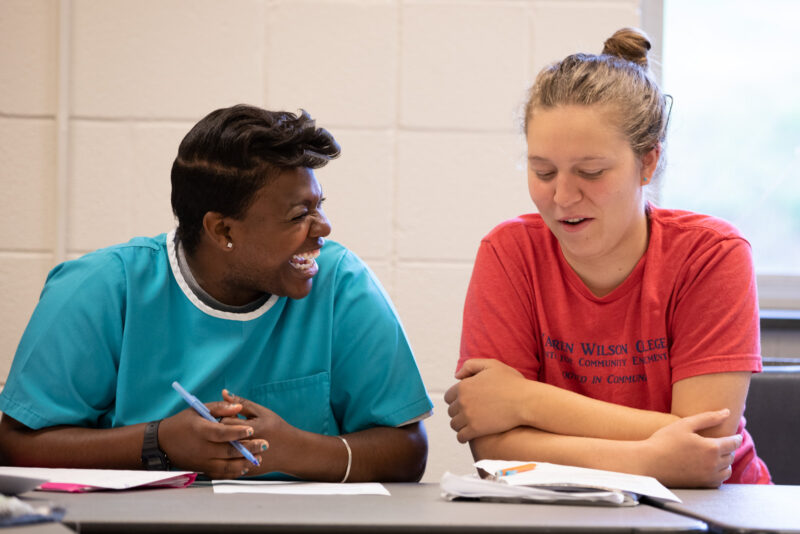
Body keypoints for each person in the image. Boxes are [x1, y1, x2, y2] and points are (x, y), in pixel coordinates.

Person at [0, 104, 433, 482]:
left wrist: (297, 449)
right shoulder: (101, 288)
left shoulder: (340, 283)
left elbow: (407, 450)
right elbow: (17, 444)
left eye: (319, 206)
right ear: (223, 229)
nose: (323, 230)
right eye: (300, 214)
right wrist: (158, 441)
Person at [444, 28, 770, 487]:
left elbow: (710, 440)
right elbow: (493, 448)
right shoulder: (509, 253)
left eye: (590, 172)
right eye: (543, 171)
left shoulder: (711, 255)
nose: (562, 195)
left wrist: (524, 402)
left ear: (648, 163)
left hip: (718, 510)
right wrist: (652, 460)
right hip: (560, 512)